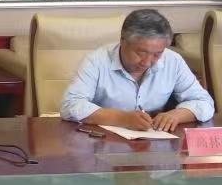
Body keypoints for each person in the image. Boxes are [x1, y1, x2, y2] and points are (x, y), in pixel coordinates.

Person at [61, 8, 214, 132]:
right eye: (141, 53)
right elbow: (70, 105)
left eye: (157, 54)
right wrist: (122, 118)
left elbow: (204, 102)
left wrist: (177, 115)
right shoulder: (96, 61)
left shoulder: (173, 61)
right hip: (103, 142)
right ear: (123, 41)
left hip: (154, 145)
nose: (147, 62)